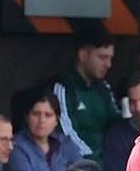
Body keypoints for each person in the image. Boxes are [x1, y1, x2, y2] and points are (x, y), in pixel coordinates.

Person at [52, 29, 122, 163]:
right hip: (79, 164)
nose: (108, 64)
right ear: (83, 55)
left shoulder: (104, 89)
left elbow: (117, 125)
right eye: (102, 57)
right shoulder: (63, 87)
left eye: (110, 58)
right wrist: (92, 161)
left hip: (108, 161)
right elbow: (67, 133)